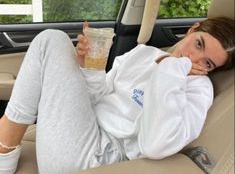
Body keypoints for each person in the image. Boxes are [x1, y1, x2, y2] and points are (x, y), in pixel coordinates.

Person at [0, 17, 234, 174]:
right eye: (198, 44)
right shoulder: (144, 53)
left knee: (51, 40)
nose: (193, 58)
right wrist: (89, 69)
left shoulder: (199, 89)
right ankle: (5, 148)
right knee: (51, 39)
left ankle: (3, 152)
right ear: (193, 29)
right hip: (86, 127)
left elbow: (156, 144)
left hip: (97, 159)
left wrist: (172, 69)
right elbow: (97, 97)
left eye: (207, 62)